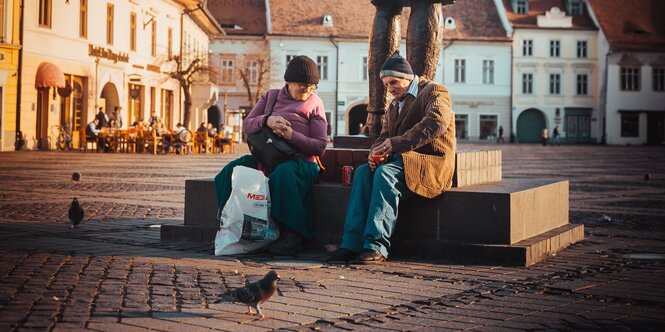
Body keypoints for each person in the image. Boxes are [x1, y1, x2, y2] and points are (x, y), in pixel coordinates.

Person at [328, 52, 456, 264]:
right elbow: (385, 136)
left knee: (385, 173)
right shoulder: (394, 105)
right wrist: (374, 152)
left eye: (394, 82)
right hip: (403, 162)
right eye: (387, 84)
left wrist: (397, 143)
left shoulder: (435, 91)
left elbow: (436, 122)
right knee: (362, 172)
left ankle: (376, 245)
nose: (390, 88)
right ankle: (350, 243)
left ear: (408, 77)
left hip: (430, 163)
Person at [214, 55, 327, 256]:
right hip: (268, 157)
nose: (307, 90)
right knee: (231, 171)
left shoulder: (315, 103)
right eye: (303, 84)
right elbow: (248, 124)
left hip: (300, 161)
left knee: (283, 174)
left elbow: (319, 146)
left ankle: (291, 234)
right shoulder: (271, 96)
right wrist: (267, 120)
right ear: (289, 81)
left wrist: (292, 135)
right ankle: (229, 226)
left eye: (312, 86)